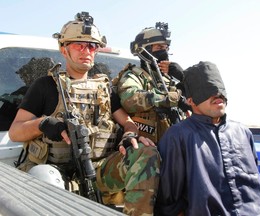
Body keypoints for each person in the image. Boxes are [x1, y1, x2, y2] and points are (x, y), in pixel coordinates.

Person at [8, 11, 160, 216]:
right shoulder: (45, 86)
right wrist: (43, 124)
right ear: (64, 49)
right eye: (78, 45)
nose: (86, 50)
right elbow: (15, 132)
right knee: (42, 176)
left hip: (97, 172)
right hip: (55, 176)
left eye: (91, 46)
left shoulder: (105, 90)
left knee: (146, 152)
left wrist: (129, 135)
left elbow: (128, 122)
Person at [154, 61, 260, 215]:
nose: (217, 95)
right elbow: (168, 202)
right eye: (206, 90)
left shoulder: (242, 132)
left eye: (220, 89)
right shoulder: (178, 136)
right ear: (190, 101)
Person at [113, 22, 187, 144]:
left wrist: (184, 77)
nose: (164, 53)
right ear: (144, 51)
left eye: (165, 48)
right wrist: (170, 99)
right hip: (145, 147)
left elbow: (195, 100)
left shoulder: (167, 79)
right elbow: (130, 98)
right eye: (159, 48)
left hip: (173, 144)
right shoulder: (134, 75)